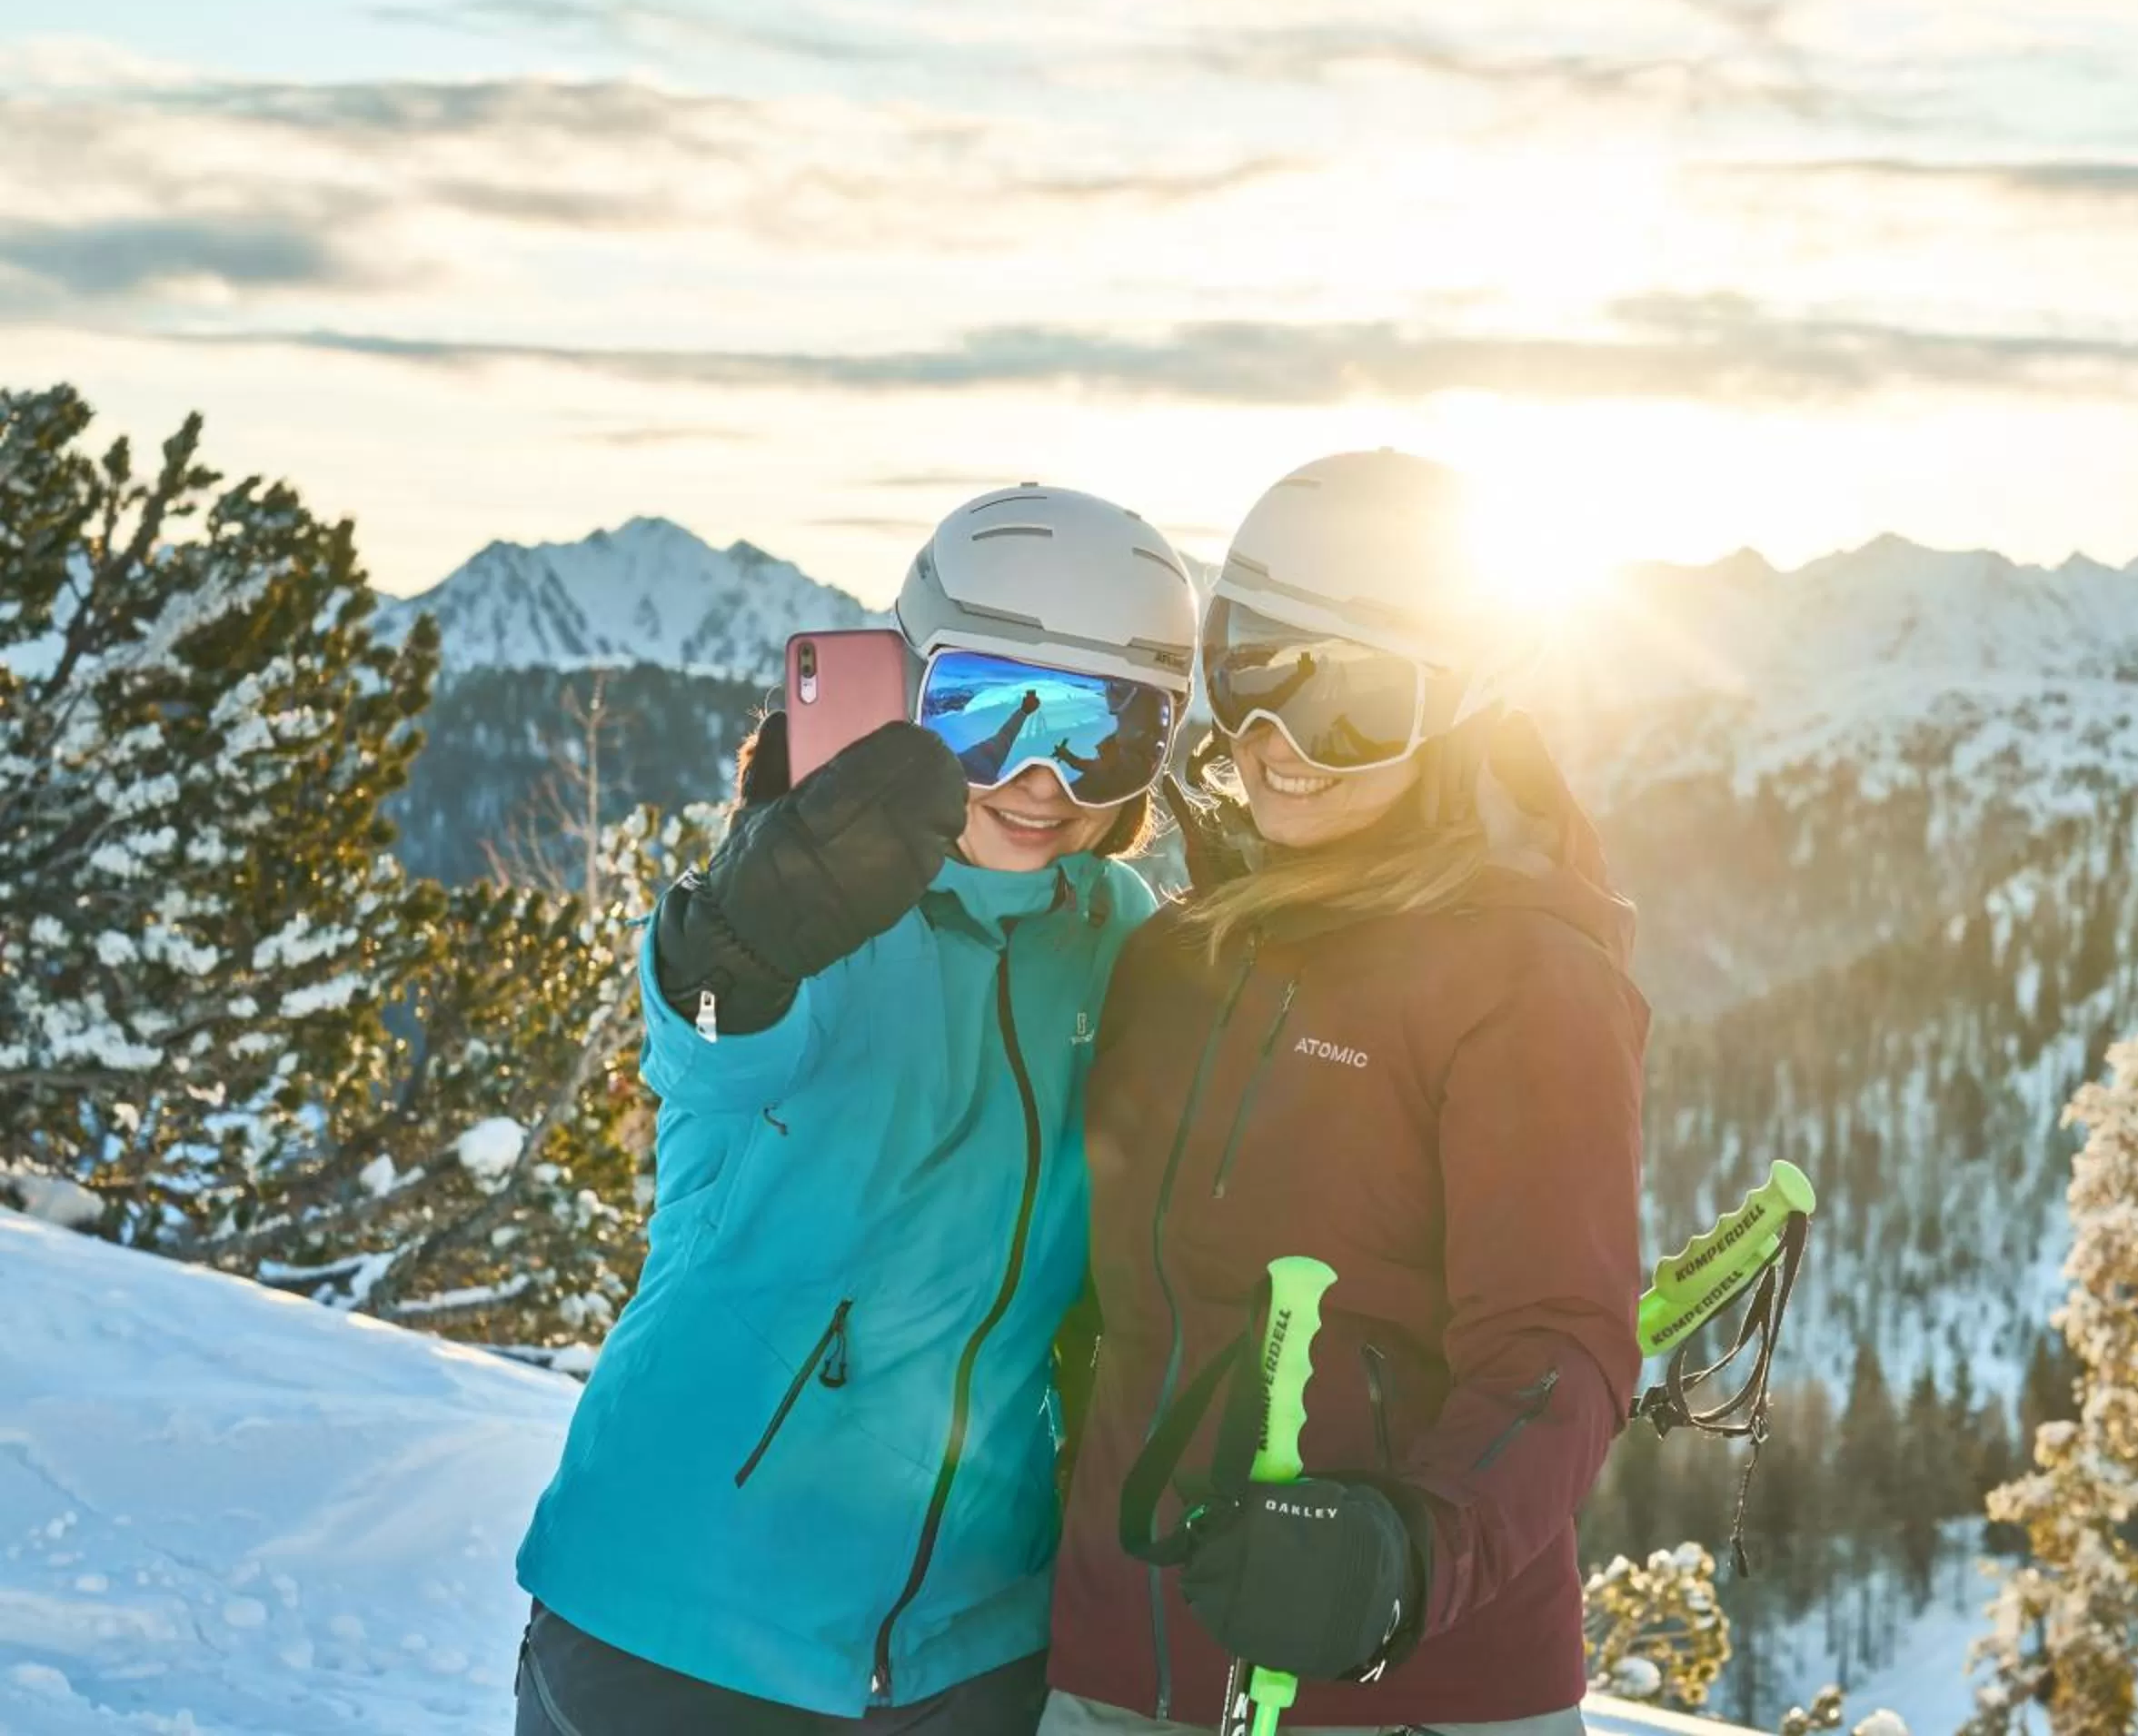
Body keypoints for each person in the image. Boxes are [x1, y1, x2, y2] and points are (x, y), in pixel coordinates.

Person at [513, 484, 1200, 1735]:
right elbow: (706, 1042)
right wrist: (727, 946)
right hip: (680, 1620)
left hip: (974, 1647)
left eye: (1104, 733)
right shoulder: (814, 904)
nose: (1044, 779)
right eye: (993, 714)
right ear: (907, 692)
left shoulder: (1122, 942)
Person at [1043, 451, 1649, 1735]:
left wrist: (1408, 1556)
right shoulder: (1174, 955)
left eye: (1358, 707)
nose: (1279, 746)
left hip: (1395, 1684)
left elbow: (1561, 1345)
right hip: (1122, 1663)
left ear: (1463, 713)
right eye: (1251, 671)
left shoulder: (1522, 974)